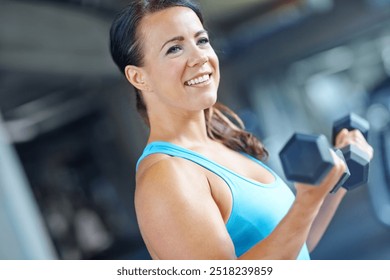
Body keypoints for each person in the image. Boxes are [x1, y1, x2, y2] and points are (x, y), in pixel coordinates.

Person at [109, 0, 374, 260]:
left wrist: (334, 181)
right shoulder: (166, 176)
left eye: (201, 41)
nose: (199, 57)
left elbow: (295, 247)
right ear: (138, 77)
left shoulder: (219, 143)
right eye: (175, 48)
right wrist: (305, 203)